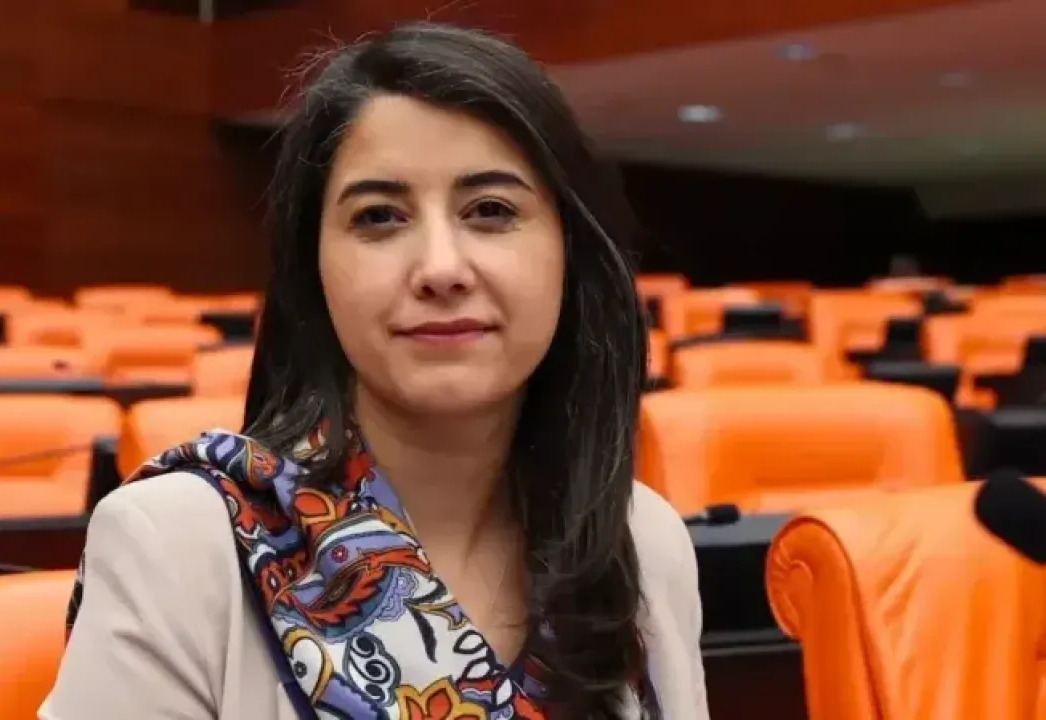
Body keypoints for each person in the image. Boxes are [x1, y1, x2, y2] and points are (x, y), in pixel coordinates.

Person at [40, 22, 708, 720]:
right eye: (380, 217)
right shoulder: (176, 545)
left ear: (572, 253)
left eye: (491, 210)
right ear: (315, 271)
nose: (441, 268)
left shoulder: (640, 540)